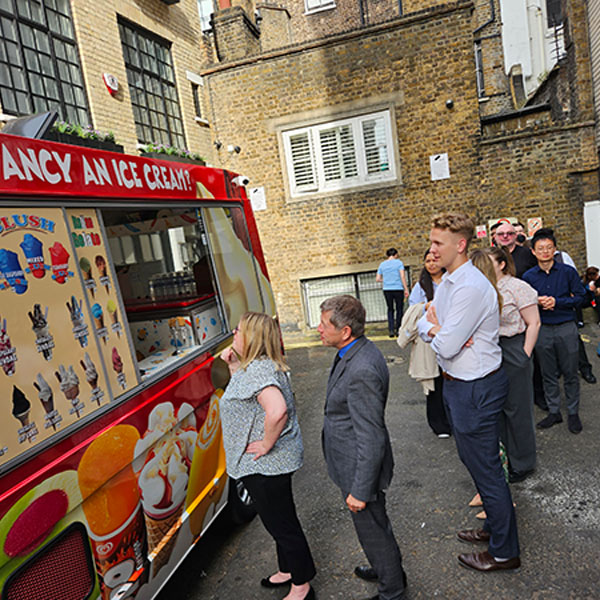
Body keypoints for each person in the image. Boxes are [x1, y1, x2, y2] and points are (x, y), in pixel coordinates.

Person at [418, 213, 520, 573]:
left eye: (437, 243)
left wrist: (438, 332)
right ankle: (494, 528)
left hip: (476, 388)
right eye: (431, 241)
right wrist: (437, 330)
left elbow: (444, 344)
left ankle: (505, 552)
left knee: (487, 470)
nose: (431, 249)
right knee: (475, 462)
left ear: (460, 245)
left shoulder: (469, 287)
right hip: (459, 385)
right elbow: (425, 321)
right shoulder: (448, 281)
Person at [220, 312, 316, 600]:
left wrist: (265, 443)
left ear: (251, 337)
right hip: (266, 464)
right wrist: (235, 366)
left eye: (238, 330)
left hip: (266, 465)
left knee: (282, 524)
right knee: (278, 519)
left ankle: (302, 584)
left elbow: (277, 410)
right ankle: (287, 569)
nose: (234, 334)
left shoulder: (261, 371)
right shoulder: (257, 367)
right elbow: (247, 398)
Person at [319, 295, 406, 600]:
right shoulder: (353, 351)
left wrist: (360, 489)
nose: (318, 329)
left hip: (359, 466)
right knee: (375, 526)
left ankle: (392, 590)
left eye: (323, 324)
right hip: (350, 460)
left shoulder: (362, 369)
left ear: (345, 331)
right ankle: (386, 568)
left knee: (372, 529)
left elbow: (371, 435)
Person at [482, 247, 540, 483]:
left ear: (502, 263)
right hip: (492, 349)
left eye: (488, 261)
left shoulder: (518, 287)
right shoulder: (484, 288)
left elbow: (534, 323)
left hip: (514, 347)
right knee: (499, 409)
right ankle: (506, 459)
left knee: (518, 409)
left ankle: (524, 462)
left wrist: (524, 355)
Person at [523, 229, 587, 434]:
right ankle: (553, 411)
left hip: (566, 325)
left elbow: (581, 298)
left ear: (555, 249)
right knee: (547, 372)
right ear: (533, 251)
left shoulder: (568, 272)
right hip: (541, 328)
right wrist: (537, 302)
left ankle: (573, 412)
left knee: (570, 370)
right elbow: (523, 303)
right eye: (540, 248)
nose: (545, 251)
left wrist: (558, 302)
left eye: (549, 248)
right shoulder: (528, 276)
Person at [404, 251, 450, 437]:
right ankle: (439, 424)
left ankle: (455, 420)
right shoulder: (421, 286)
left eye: (434, 260)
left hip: (451, 335)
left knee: (452, 380)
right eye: (427, 261)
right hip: (430, 338)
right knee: (434, 381)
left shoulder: (450, 280)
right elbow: (413, 311)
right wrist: (426, 306)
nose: (431, 264)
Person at [376, 248, 409, 338]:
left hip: (387, 289)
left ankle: (391, 330)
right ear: (396, 255)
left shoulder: (382, 264)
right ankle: (398, 329)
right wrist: (406, 289)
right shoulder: (399, 263)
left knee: (390, 309)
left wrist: (385, 280)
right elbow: (402, 276)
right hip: (398, 288)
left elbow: (378, 279)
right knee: (399, 309)